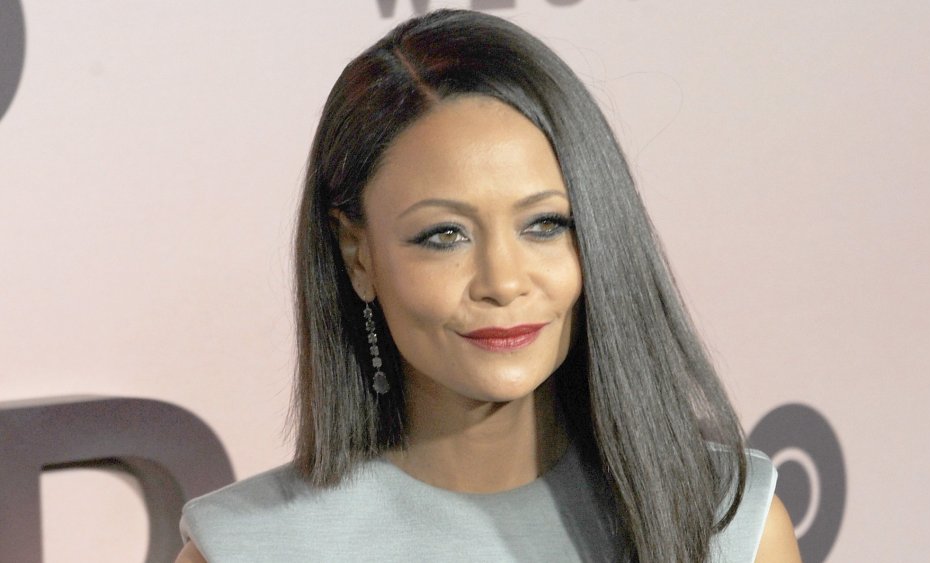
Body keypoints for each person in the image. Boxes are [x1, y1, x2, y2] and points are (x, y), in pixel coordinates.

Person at [177, 9, 800, 563]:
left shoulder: (728, 528)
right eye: (444, 235)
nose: (503, 282)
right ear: (357, 253)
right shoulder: (249, 547)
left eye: (546, 224)